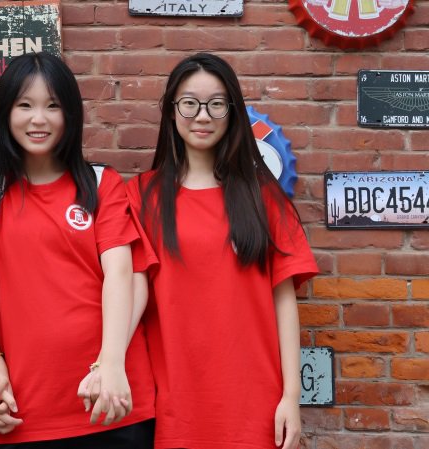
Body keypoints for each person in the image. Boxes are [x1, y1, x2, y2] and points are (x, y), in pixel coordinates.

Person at [0, 52, 156, 448]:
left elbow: (122, 274)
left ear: (71, 114)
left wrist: (111, 363)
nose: (38, 119)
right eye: (24, 106)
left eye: (52, 106)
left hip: (111, 400)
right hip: (23, 408)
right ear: (5, 113)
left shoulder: (101, 184)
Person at [127, 53, 318, 449]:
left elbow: (284, 300)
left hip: (254, 402)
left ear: (232, 111)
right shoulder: (141, 196)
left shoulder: (263, 198)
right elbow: (128, 293)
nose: (203, 116)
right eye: (189, 103)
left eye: (216, 104)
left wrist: (291, 396)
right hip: (174, 403)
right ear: (171, 110)